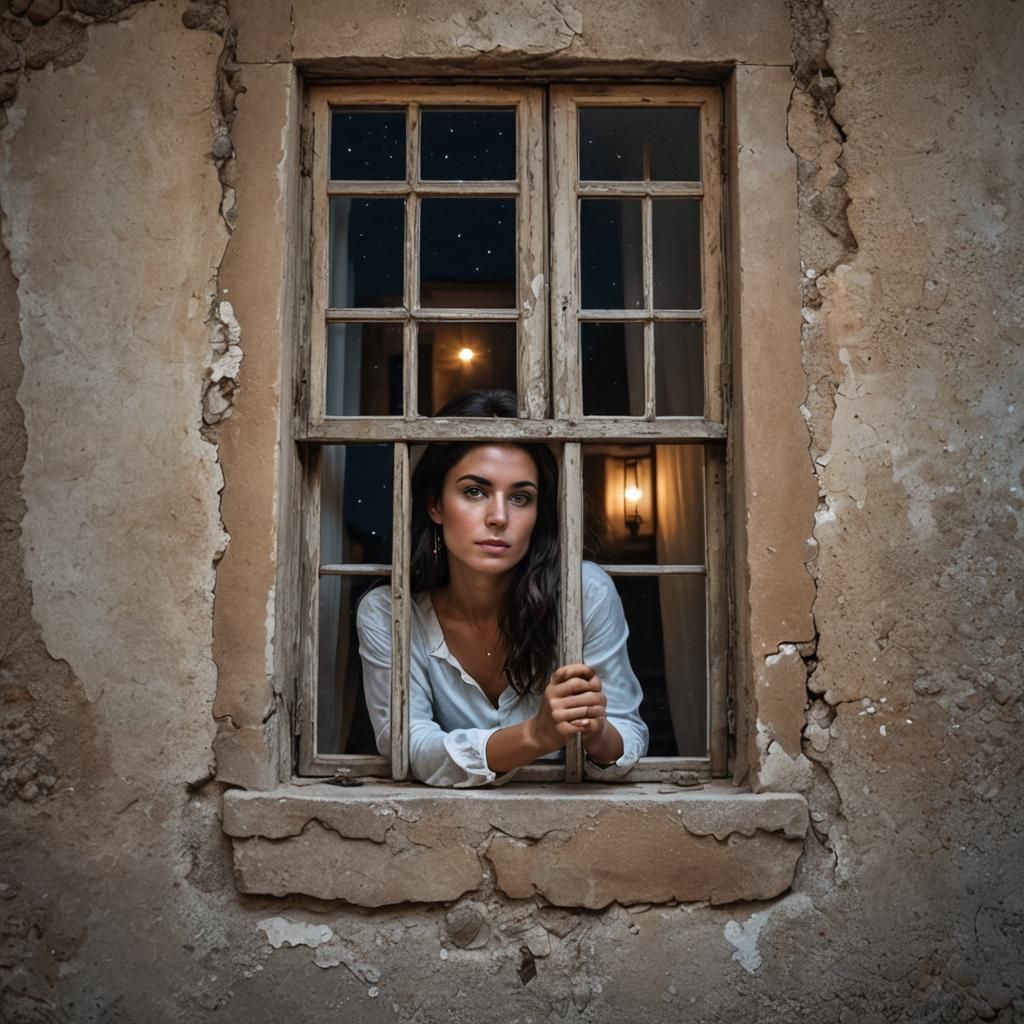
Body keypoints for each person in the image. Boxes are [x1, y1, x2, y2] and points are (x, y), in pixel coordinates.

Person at [356, 389, 648, 787]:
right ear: (435, 505)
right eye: (474, 491)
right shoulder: (388, 613)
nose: (498, 517)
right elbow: (408, 747)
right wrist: (534, 736)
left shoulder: (583, 593)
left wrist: (596, 731)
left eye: (520, 497)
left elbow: (627, 739)